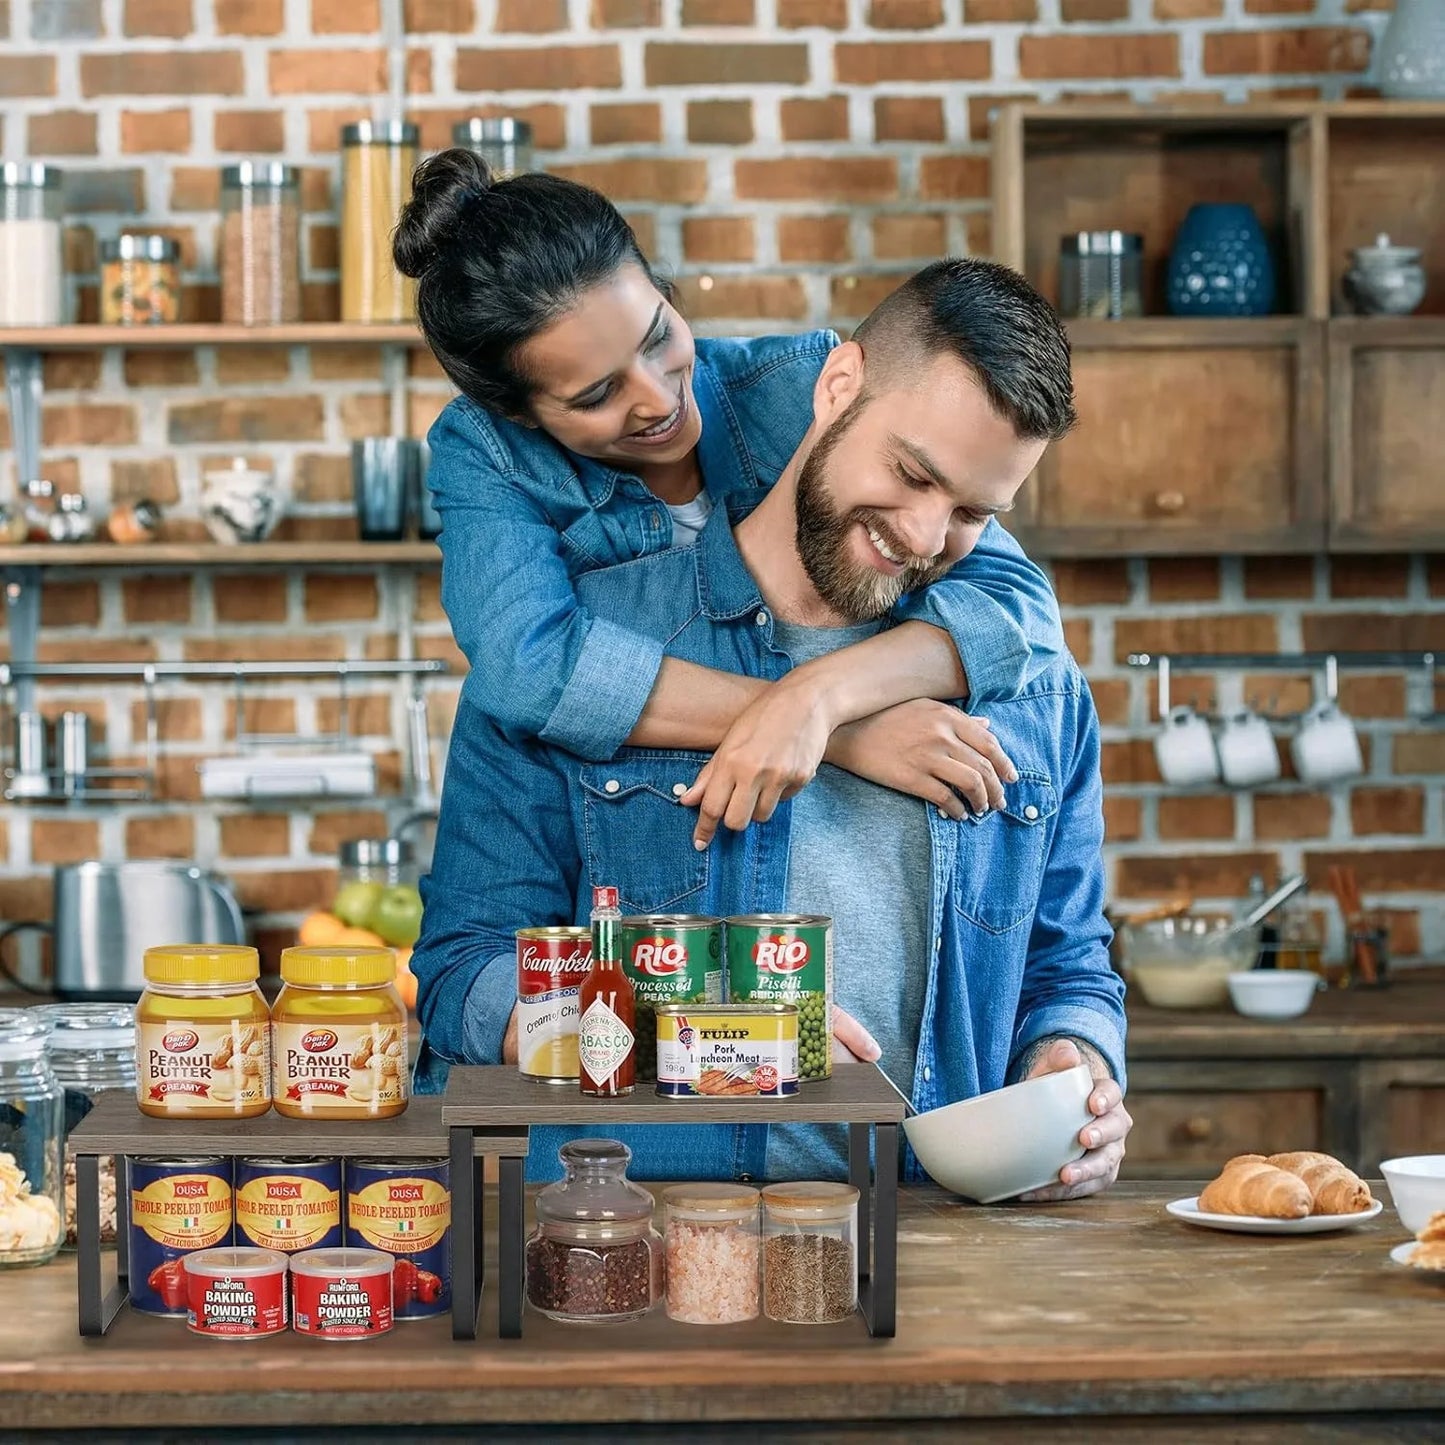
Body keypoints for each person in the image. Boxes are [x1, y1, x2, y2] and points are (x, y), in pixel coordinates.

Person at [411, 257, 1131, 1199]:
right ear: (835, 388)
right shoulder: (590, 659)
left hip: (934, 1250)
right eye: (912, 474)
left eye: (970, 513)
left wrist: (1070, 1065)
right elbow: (462, 974)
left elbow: (1065, 961)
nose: (922, 535)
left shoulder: (1029, 694)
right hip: (628, 1239)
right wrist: (701, 1028)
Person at [393, 151, 1068, 849]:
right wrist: (839, 733)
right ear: (520, 413)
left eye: (657, 338)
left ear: (661, 291)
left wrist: (822, 697)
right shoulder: (489, 453)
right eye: (597, 394)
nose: (658, 398)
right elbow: (529, 668)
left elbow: (1020, 612)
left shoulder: (801, 385)